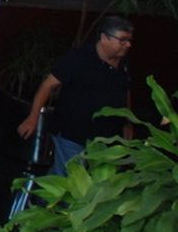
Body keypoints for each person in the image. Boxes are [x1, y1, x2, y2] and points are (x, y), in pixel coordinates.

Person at [19, 16, 135, 174]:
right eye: (122, 40)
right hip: (73, 135)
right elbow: (48, 85)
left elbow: (125, 91)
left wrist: (127, 121)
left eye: (129, 40)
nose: (128, 45)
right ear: (104, 38)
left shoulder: (124, 63)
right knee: (67, 179)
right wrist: (33, 118)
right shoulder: (78, 58)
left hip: (107, 139)